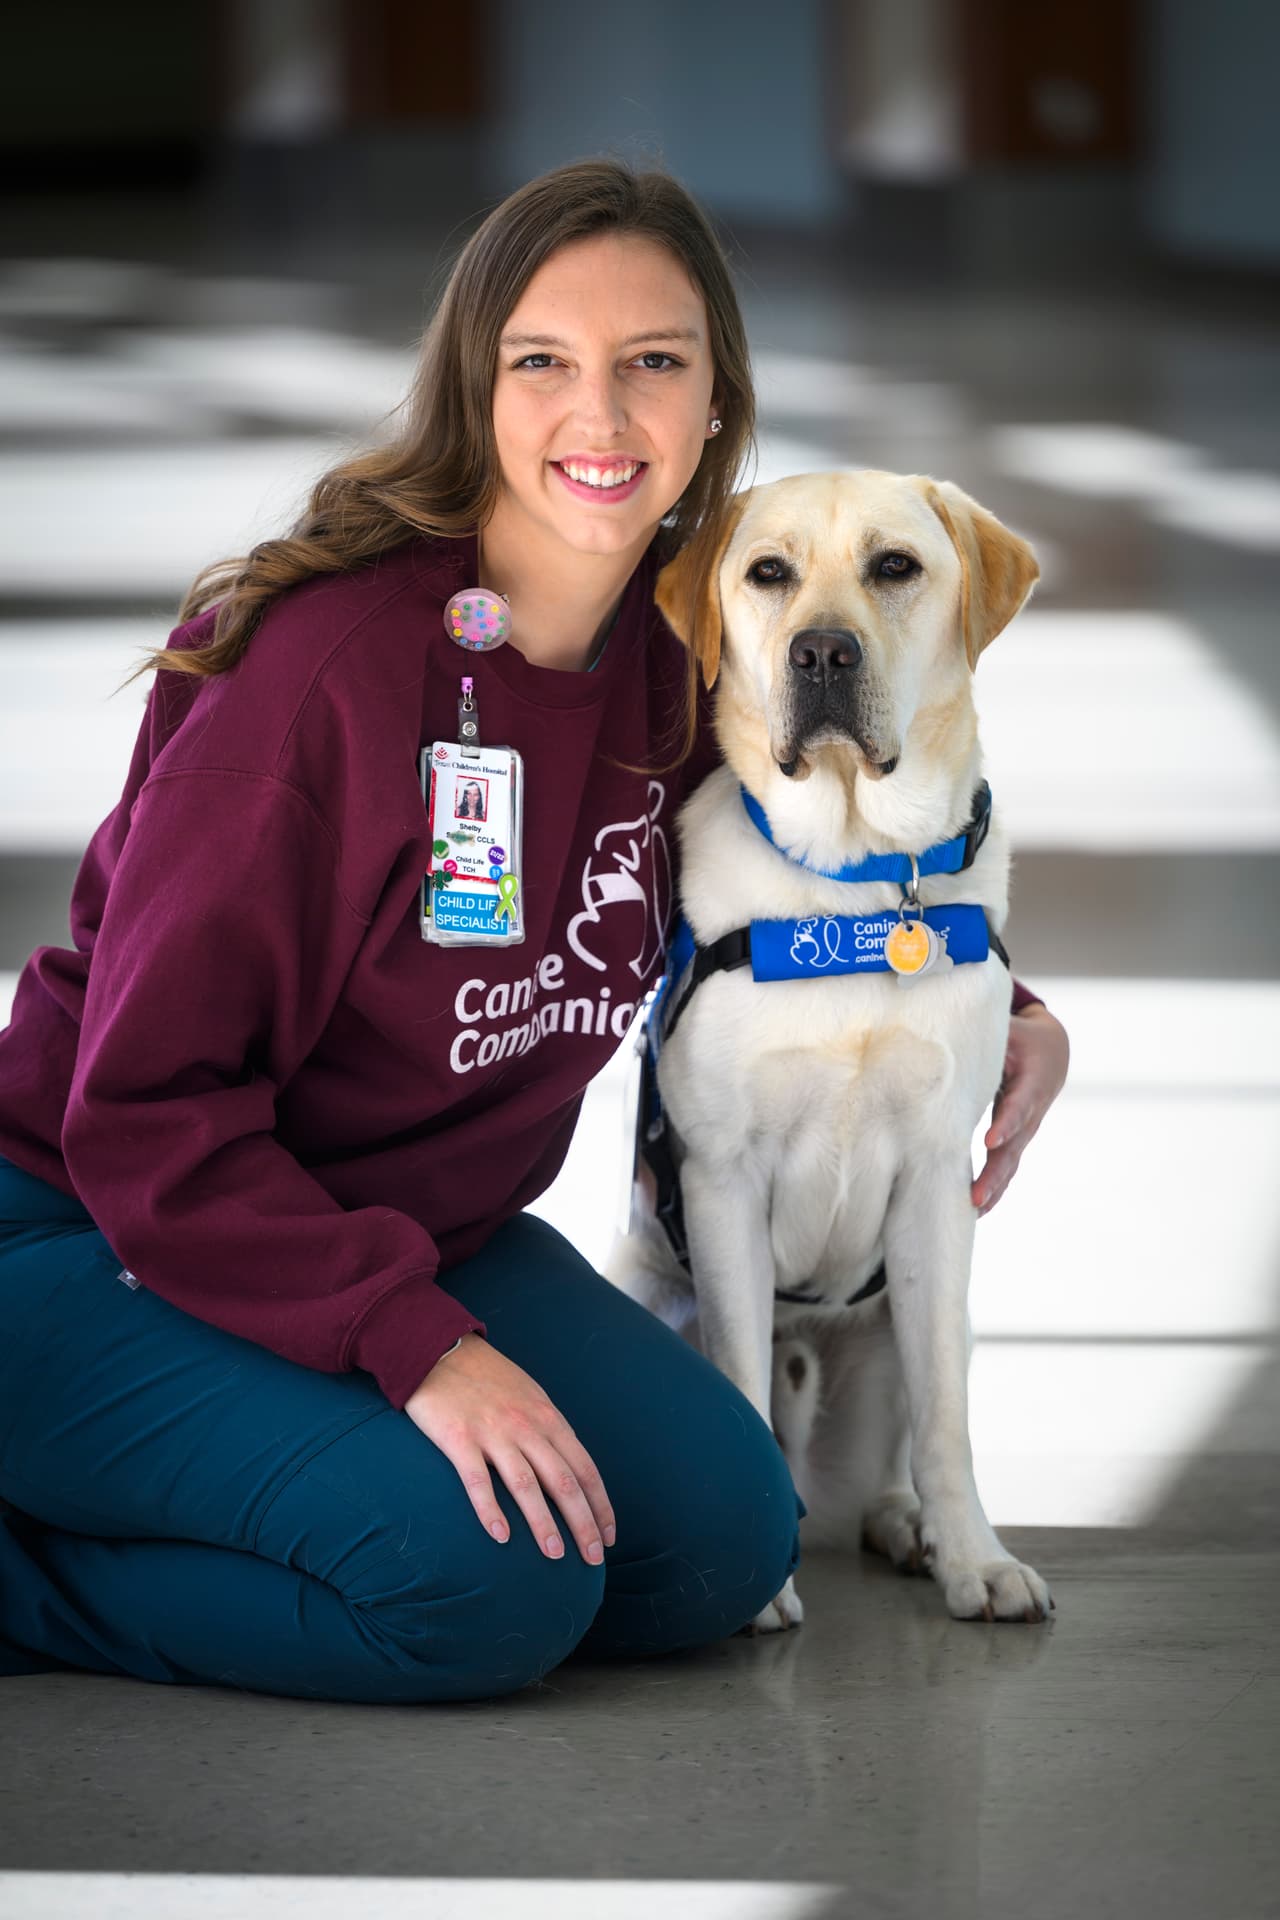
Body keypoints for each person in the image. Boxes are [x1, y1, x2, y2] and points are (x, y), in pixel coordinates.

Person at [0, 159, 1069, 1703]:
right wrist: (416, 1345)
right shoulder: (323, 676)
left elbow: (806, 871)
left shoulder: (686, 663)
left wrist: (1005, 1003)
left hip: (414, 1228)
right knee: (480, 1589)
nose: (603, 414)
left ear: (717, 399)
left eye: (656, 362)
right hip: (102, 1236)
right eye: (544, 362)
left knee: (720, 1540)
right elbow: (144, 1112)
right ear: (475, 389)